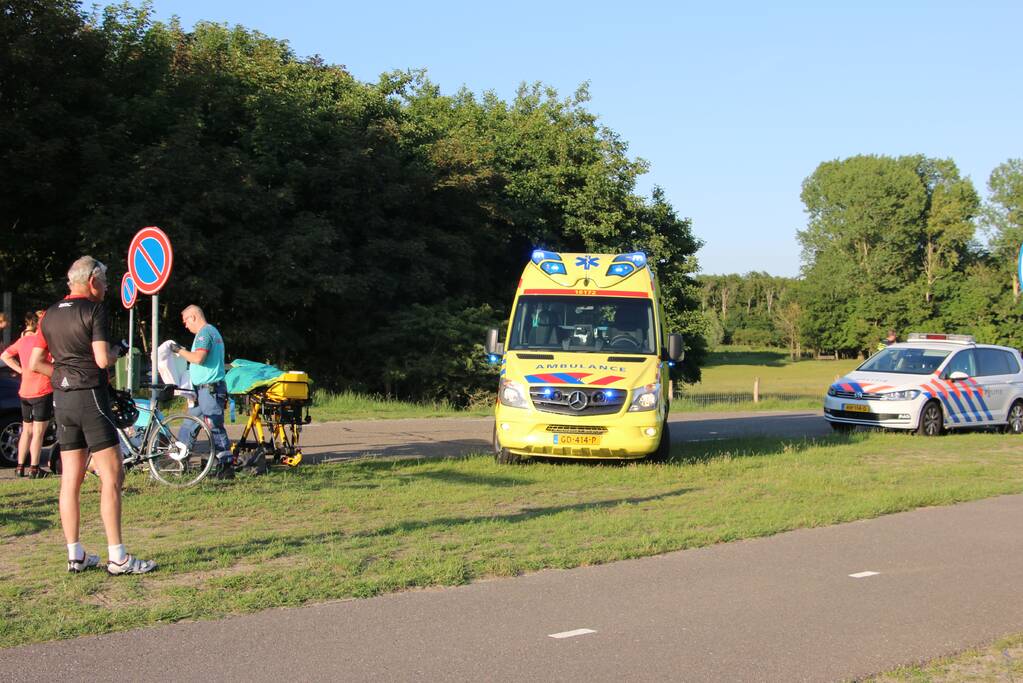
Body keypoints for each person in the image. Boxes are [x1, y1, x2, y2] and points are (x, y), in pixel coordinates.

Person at [28, 256, 155, 575]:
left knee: (70, 479)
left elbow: (35, 362)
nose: (108, 287)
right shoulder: (94, 310)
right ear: (93, 281)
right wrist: (116, 351)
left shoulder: (49, 314)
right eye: (106, 281)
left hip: (63, 401)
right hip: (91, 399)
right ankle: (118, 557)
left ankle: (76, 554)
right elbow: (101, 359)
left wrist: (62, 376)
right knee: (112, 476)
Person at [172, 305, 233, 478]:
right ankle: (181, 460)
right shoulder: (211, 332)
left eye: (185, 321)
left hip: (209, 390)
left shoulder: (204, 334)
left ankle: (226, 466)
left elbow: (198, 358)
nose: (185, 325)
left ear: (193, 317)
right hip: (203, 390)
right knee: (189, 424)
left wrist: (179, 351)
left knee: (214, 426)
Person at [1, 311, 54, 478]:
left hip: (25, 391)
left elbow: (5, 356)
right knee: (38, 432)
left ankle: (19, 466)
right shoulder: (44, 341)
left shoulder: (22, 341)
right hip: (42, 390)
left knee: (26, 430)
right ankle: (35, 468)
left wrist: (21, 370)